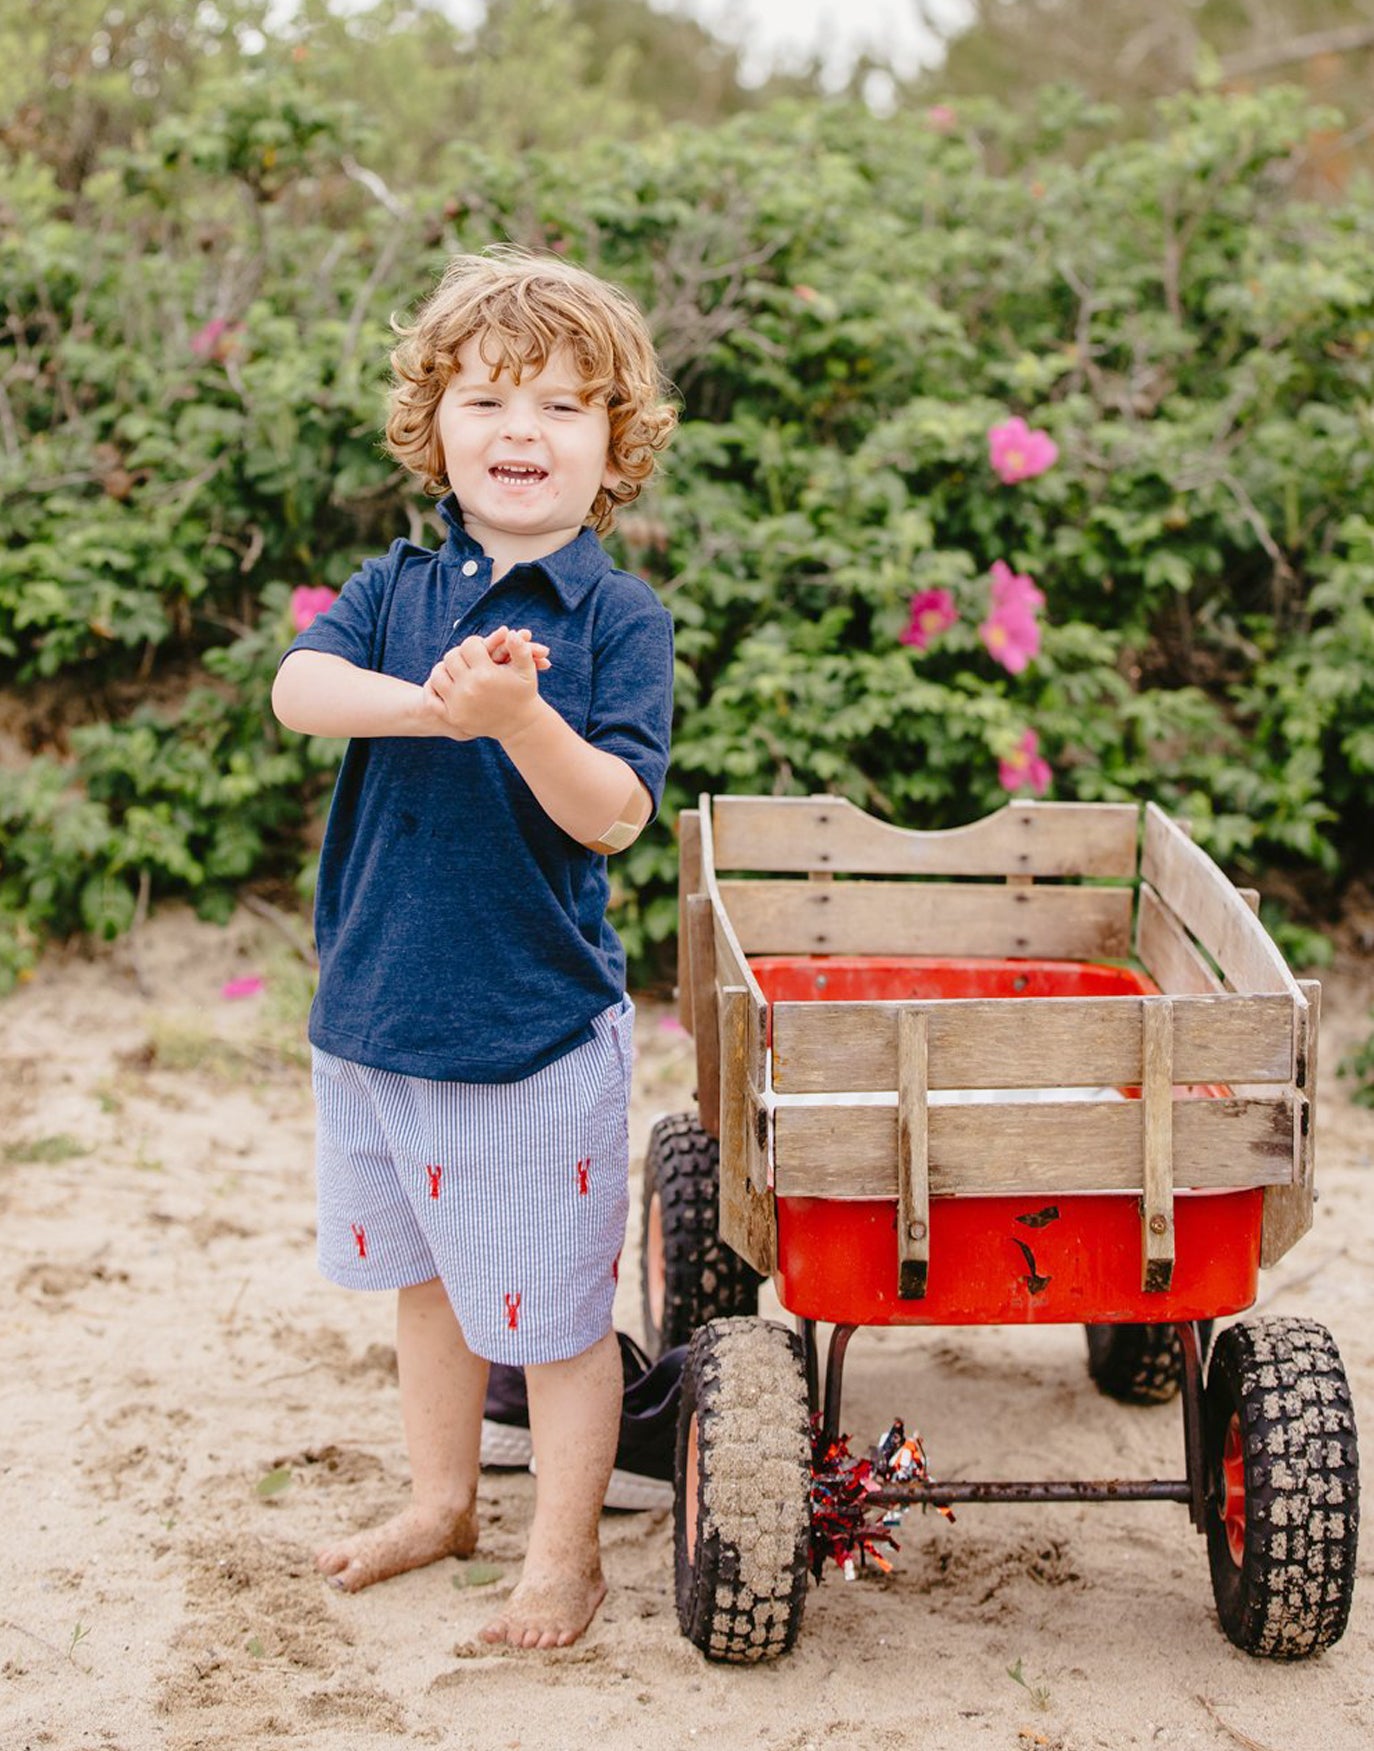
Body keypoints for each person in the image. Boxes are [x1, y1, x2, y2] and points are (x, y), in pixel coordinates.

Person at [271, 246, 677, 1649]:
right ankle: (442, 1501)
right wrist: (441, 709)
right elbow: (298, 688)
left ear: (614, 449)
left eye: (566, 408)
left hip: (530, 1028)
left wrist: (519, 719)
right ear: (432, 427)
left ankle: (562, 1555)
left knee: (556, 1321)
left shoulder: (616, 618)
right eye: (491, 399)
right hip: (376, 1010)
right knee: (427, 1284)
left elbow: (615, 812)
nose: (524, 431)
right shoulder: (393, 588)